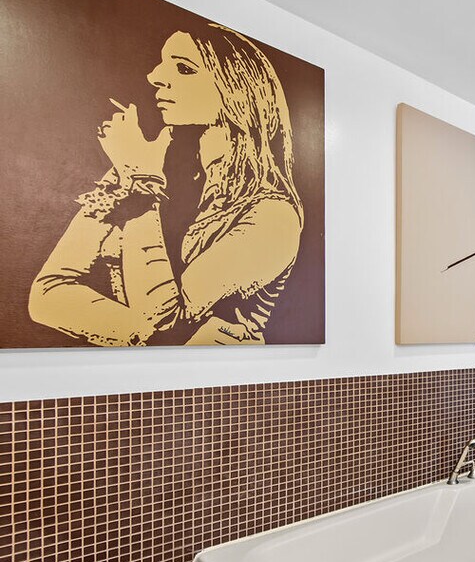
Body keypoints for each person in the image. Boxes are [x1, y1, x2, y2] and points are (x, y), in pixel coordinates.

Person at [29, 23, 303, 346]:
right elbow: (48, 292)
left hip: (215, 377)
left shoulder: (275, 216)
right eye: (162, 64)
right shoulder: (143, 163)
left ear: (237, 93)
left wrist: (142, 180)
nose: (155, 76)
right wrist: (138, 335)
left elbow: (161, 322)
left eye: (184, 68)